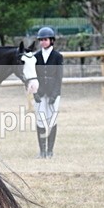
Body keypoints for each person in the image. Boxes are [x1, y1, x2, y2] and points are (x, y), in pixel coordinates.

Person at [33, 27, 64, 158]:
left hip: (52, 93)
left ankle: (50, 150)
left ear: (51, 40)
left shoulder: (57, 57)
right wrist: (35, 92)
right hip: (40, 93)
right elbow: (33, 76)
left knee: (52, 121)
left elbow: (59, 77)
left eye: (45, 40)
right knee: (40, 121)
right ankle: (42, 150)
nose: (43, 42)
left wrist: (55, 94)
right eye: (41, 40)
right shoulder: (36, 56)